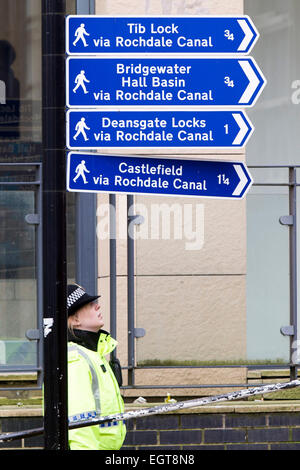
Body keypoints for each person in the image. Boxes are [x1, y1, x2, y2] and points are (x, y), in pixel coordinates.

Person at [67, 284, 126, 450]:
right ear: (75, 320)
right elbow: (79, 424)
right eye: (90, 305)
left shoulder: (92, 354)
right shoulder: (75, 358)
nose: (98, 306)